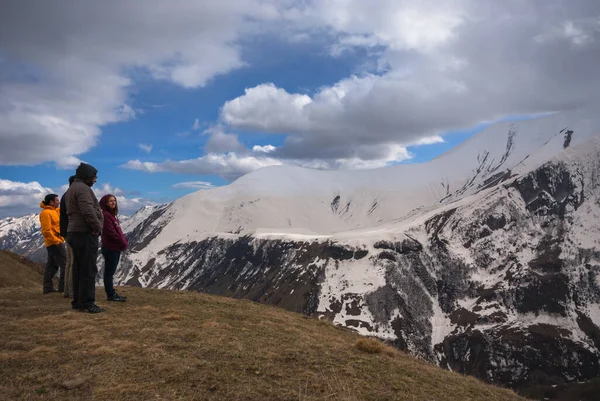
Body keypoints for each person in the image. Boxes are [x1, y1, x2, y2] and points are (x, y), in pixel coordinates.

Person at [65, 163, 105, 313]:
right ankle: (88, 303)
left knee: (78, 268)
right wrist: (97, 227)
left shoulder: (72, 188)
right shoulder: (83, 189)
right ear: (87, 176)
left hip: (74, 232)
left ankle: (77, 301)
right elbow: (87, 210)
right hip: (84, 232)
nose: (95, 180)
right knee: (88, 269)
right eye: (94, 177)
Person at [99, 194, 128, 302]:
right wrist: (122, 242)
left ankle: (111, 293)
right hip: (111, 247)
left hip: (115, 247)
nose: (113, 202)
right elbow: (111, 232)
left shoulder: (112, 215)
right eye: (110, 201)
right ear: (105, 203)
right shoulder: (106, 215)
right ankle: (110, 294)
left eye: (114, 200)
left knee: (110, 272)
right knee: (109, 272)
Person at [39, 194, 66, 294]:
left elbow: (63, 210)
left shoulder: (55, 211)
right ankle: (62, 287)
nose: (59, 202)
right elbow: (46, 231)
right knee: (64, 263)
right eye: (57, 201)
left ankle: (48, 288)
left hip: (55, 241)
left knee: (52, 265)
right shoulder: (46, 213)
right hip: (54, 242)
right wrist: (57, 241)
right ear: (51, 202)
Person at [60, 176, 75, 299]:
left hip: (67, 232)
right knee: (73, 262)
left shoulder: (65, 195)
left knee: (69, 262)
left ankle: (67, 290)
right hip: (73, 232)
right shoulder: (71, 196)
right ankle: (71, 291)